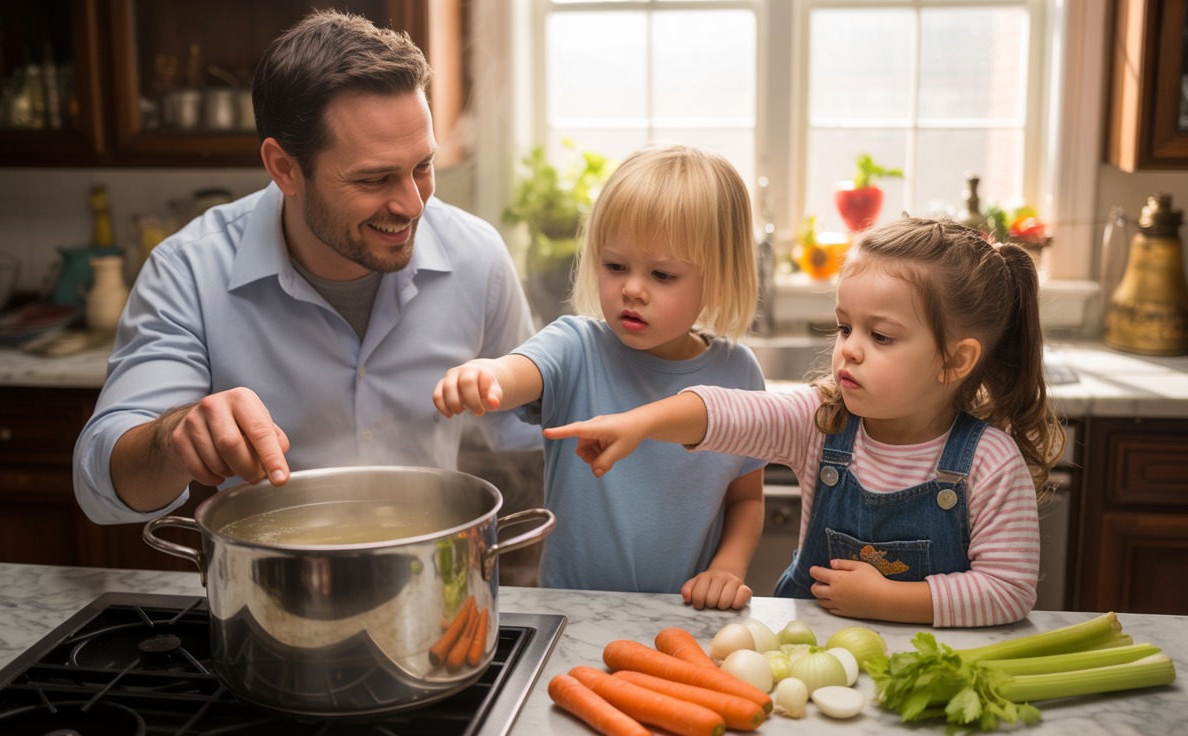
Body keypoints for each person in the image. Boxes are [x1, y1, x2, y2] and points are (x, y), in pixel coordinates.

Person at [74, 9, 541, 527]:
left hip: (430, 583)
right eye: (374, 179)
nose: (412, 205)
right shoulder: (188, 270)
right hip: (270, 587)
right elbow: (100, 487)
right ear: (284, 168)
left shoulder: (477, 256)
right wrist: (175, 438)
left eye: (422, 167)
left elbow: (528, 428)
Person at [546, 217, 1065, 627]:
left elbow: (1009, 591)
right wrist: (640, 423)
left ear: (955, 360)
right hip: (811, 662)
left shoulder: (990, 463)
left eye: (880, 336)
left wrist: (890, 600)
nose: (849, 351)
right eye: (844, 327)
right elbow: (729, 412)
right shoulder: (821, 421)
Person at [433, 144, 766, 610]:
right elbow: (519, 370)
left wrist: (727, 569)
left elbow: (746, 500)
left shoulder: (740, 374)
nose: (631, 288)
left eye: (662, 275)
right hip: (573, 612)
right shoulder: (575, 346)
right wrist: (487, 374)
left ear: (718, 280)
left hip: (687, 616)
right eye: (615, 266)